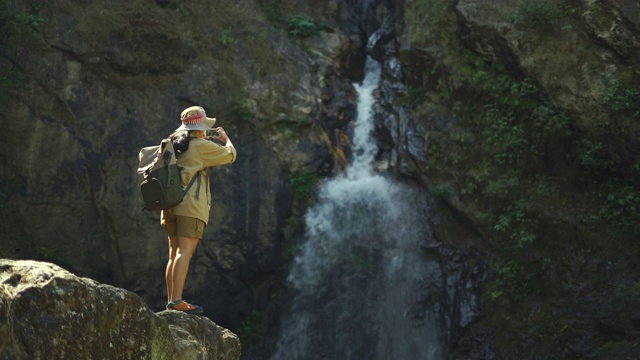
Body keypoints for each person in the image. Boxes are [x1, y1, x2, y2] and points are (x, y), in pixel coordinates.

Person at [162, 106, 237, 314]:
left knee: (173, 255)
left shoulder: (174, 143)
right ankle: (176, 301)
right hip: (190, 206)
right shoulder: (201, 145)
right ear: (200, 127)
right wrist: (225, 139)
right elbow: (231, 155)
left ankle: (171, 301)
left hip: (170, 205)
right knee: (185, 252)